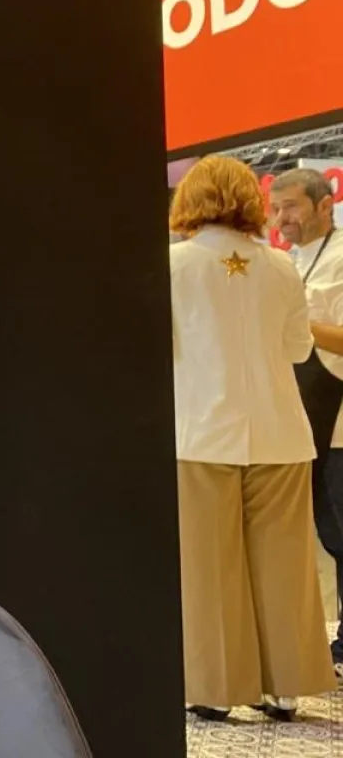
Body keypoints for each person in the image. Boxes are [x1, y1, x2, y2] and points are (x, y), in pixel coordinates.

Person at [167, 156, 333, 721]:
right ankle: (284, 688)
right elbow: (298, 349)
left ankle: (215, 688)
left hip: (200, 432)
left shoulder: (173, 265)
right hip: (280, 431)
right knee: (283, 562)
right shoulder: (282, 267)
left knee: (209, 564)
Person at [272, 167, 343, 679]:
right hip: (304, 420)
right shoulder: (288, 263)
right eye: (276, 209)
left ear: (325, 205)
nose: (282, 219)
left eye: (291, 206)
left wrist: (298, 324)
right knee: (329, 528)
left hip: (338, 420)